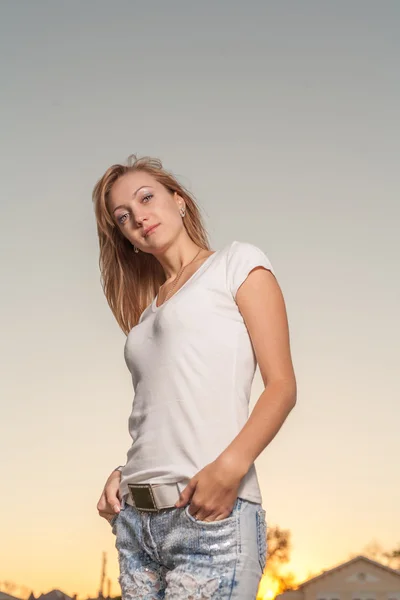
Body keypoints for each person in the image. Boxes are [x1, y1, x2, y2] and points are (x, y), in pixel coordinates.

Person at [91, 154, 297, 599]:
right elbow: (163, 410)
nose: (138, 217)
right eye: (123, 217)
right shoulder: (146, 315)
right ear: (124, 238)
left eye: (146, 198)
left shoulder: (236, 264)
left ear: (179, 201)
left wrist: (231, 467)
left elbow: (282, 386)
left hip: (208, 520)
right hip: (135, 527)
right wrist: (123, 473)